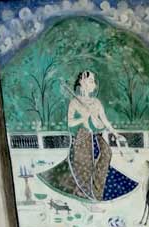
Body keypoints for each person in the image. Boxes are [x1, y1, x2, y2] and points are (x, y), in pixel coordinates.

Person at [38, 71, 138, 202]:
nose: (94, 84)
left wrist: (115, 133)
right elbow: (70, 123)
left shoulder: (96, 102)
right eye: (91, 81)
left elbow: (105, 120)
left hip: (96, 136)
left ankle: (97, 191)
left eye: (94, 81)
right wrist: (83, 118)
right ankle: (87, 193)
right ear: (82, 82)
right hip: (82, 138)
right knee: (85, 165)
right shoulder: (74, 102)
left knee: (106, 153)